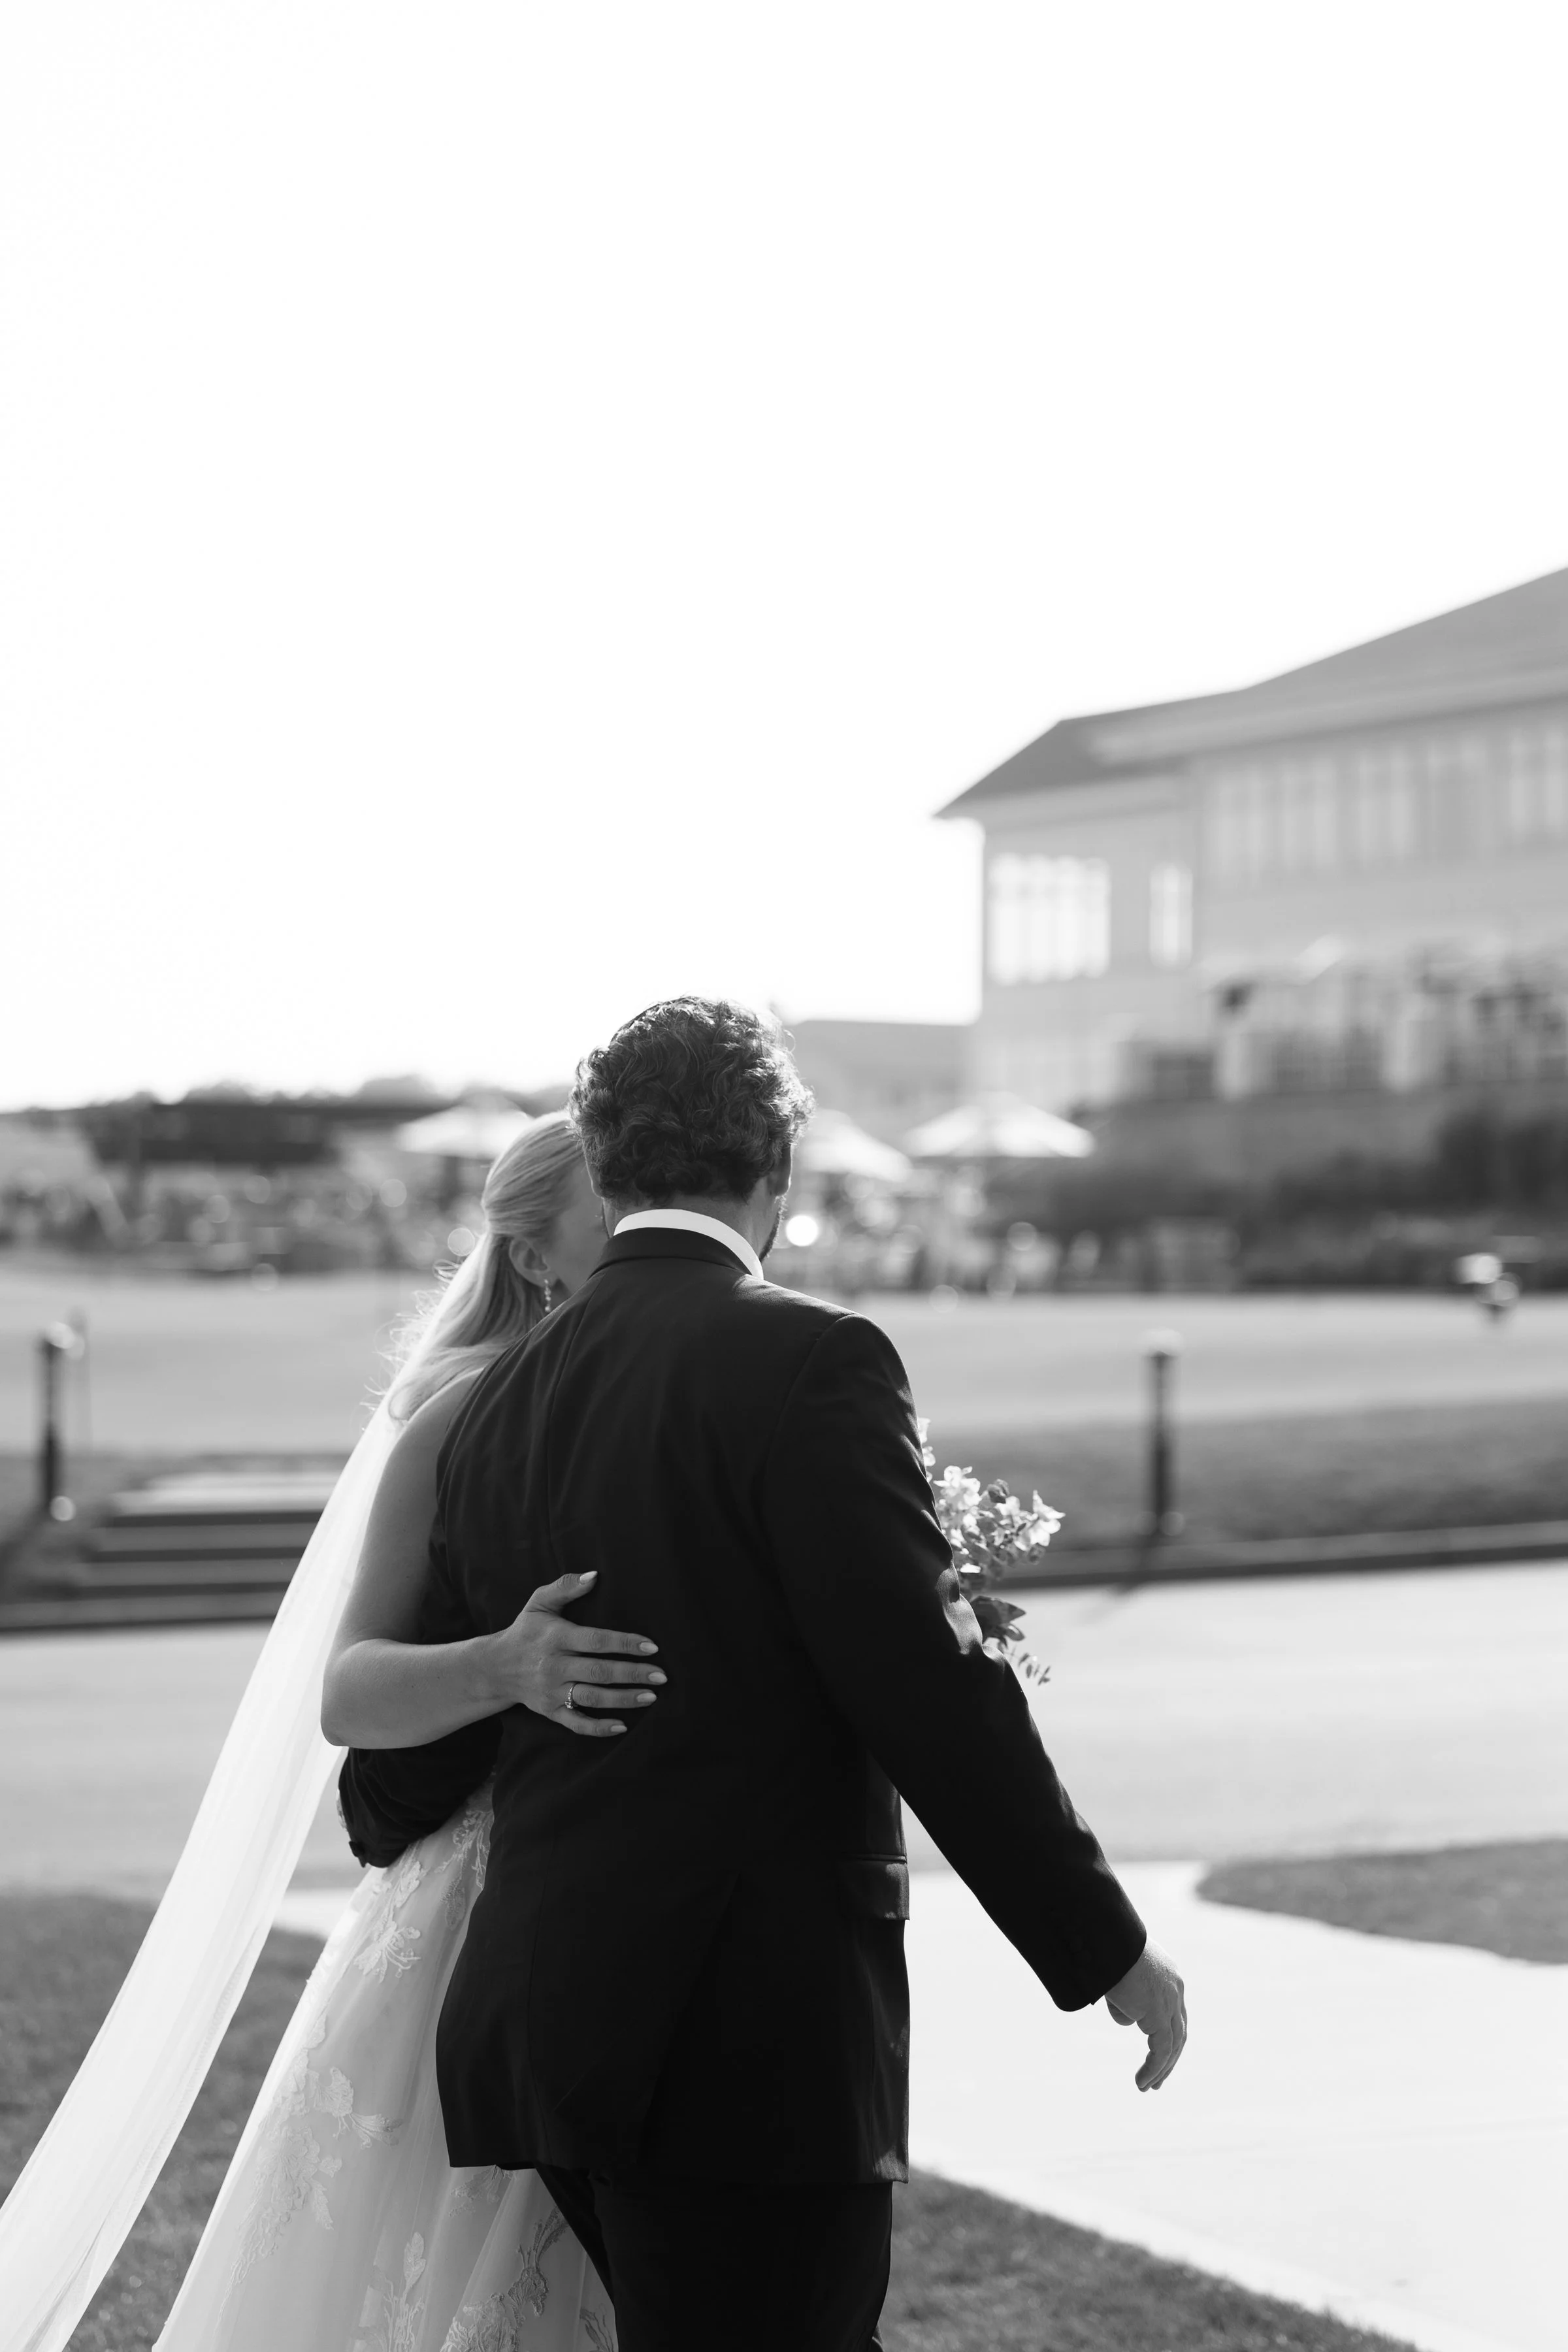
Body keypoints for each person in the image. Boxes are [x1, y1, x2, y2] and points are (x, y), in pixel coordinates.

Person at [361, 997, 1185, 2352]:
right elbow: (933, 1692)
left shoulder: (488, 1403)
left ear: (613, 1167)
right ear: (775, 1171)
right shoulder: (814, 1359)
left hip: (549, 2015)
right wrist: (1104, 1945)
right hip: (747, 2036)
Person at [150, 1113, 659, 2351]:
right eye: (611, 1215)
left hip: (639, 1884)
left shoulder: (664, 1390)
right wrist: (506, 1665)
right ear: (539, 1258)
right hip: (481, 1901)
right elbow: (350, 1689)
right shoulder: (463, 1415)